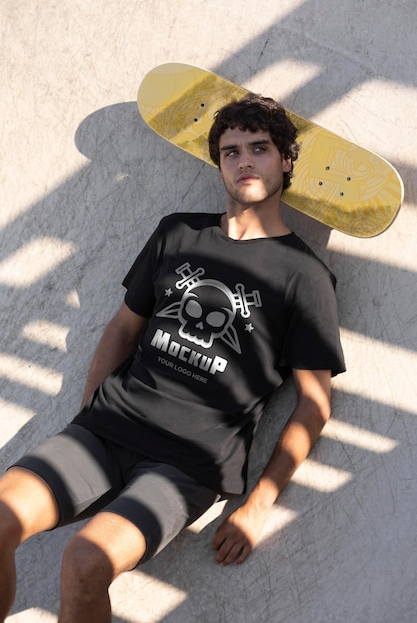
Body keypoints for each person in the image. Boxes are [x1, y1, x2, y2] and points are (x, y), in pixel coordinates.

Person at [0, 94, 345, 622]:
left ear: (286, 161)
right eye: (231, 152)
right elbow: (122, 328)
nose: (245, 161)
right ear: (219, 163)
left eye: (260, 148)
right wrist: (91, 409)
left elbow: (314, 405)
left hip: (187, 464)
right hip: (104, 432)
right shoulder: (178, 232)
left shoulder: (306, 277)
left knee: (84, 562)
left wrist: (258, 506)